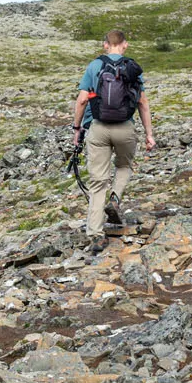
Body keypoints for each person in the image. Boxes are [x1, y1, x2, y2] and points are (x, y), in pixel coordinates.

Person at [71, 29, 155, 253]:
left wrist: (77, 129)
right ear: (125, 45)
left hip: (98, 128)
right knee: (125, 166)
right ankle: (116, 198)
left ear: (105, 44)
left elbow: (81, 101)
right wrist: (149, 134)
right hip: (125, 128)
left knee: (98, 182)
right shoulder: (133, 68)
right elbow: (143, 103)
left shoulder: (94, 66)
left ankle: (96, 234)